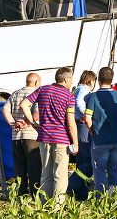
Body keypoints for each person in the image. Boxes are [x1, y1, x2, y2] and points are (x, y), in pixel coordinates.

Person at [20, 67, 79, 205]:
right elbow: (70, 123)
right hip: (61, 139)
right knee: (60, 175)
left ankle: (44, 205)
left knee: (46, 175)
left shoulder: (43, 90)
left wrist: (33, 122)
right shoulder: (69, 96)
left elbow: (24, 104)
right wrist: (75, 143)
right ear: (66, 79)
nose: (71, 83)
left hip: (44, 137)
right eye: (71, 80)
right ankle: (58, 207)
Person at [84, 67, 117, 194]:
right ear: (112, 79)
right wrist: (113, 125)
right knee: (114, 170)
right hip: (116, 139)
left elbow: (87, 118)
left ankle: (101, 199)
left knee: (99, 171)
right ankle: (115, 199)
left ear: (98, 80)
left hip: (100, 140)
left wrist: (92, 130)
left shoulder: (93, 96)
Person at [3, 73, 42, 197]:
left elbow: (5, 109)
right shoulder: (37, 94)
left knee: (19, 168)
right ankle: (35, 194)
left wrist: (13, 124)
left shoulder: (15, 94)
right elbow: (37, 113)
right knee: (34, 167)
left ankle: (21, 194)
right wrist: (27, 123)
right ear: (36, 83)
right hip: (31, 135)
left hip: (16, 136)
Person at [69, 70, 97, 199]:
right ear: (91, 81)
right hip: (82, 126)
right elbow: (80, 102)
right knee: (87, 161)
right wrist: (87, 115)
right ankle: (72, 184)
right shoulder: (84, 90)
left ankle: (81, 192)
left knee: (81, 161)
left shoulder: (76, 89)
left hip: (77, 124)